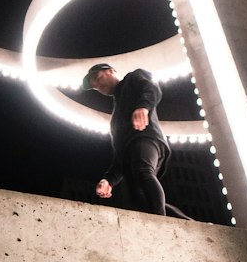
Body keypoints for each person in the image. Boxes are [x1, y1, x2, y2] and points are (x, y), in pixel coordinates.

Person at [82, 63, 191, 219]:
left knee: (143, 171)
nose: (99, 85)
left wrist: (143, 107)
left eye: (98, 78)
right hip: (130, 156)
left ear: (112, 70)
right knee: (138, 198)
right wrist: (109, 180)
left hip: (146, 138)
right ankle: (188, 223)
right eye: (95, 86)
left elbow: (151, 88)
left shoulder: (134, 77)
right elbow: (120, 157)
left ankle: (161, 223)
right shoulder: (115, 120)